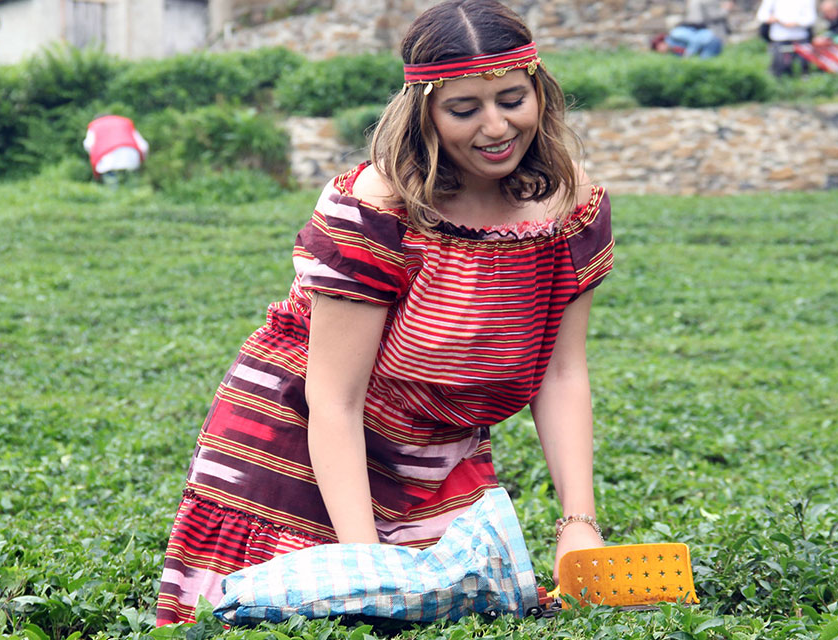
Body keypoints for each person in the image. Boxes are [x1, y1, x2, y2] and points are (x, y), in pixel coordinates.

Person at [154, 0, 614, 626]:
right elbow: (333, 400)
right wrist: (364, 565)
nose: (496, 126)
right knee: (285, 615)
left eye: (512, 99)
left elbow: (561, 375)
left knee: (453, 615)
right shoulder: (379, 208)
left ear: (539, 90)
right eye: (463, 109)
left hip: (435, 448)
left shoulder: (571, 204)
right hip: (301, 443)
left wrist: (577, 525)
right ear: (423, 109)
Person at [83, 114, 148, 186]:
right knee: (133, 189)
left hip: (107, 162)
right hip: (131, 159)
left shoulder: (95, 125)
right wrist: (142, 162)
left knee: (113, 192)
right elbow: (143, 146)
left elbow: (88, 145)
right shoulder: (125, 122)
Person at [756, 0, 817, 76]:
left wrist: (795, 23)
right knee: (779, 69)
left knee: (803, 69)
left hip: (800, 37)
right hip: (779, 37)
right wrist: (776, 19)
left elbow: (811, 18)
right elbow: (762, 15)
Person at [662, 0, 734, 59]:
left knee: (705, 64)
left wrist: (688, 55)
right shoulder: (674, 40)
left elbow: (695, 40)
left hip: (710, 38)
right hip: (708, 36)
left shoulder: (675, 34)